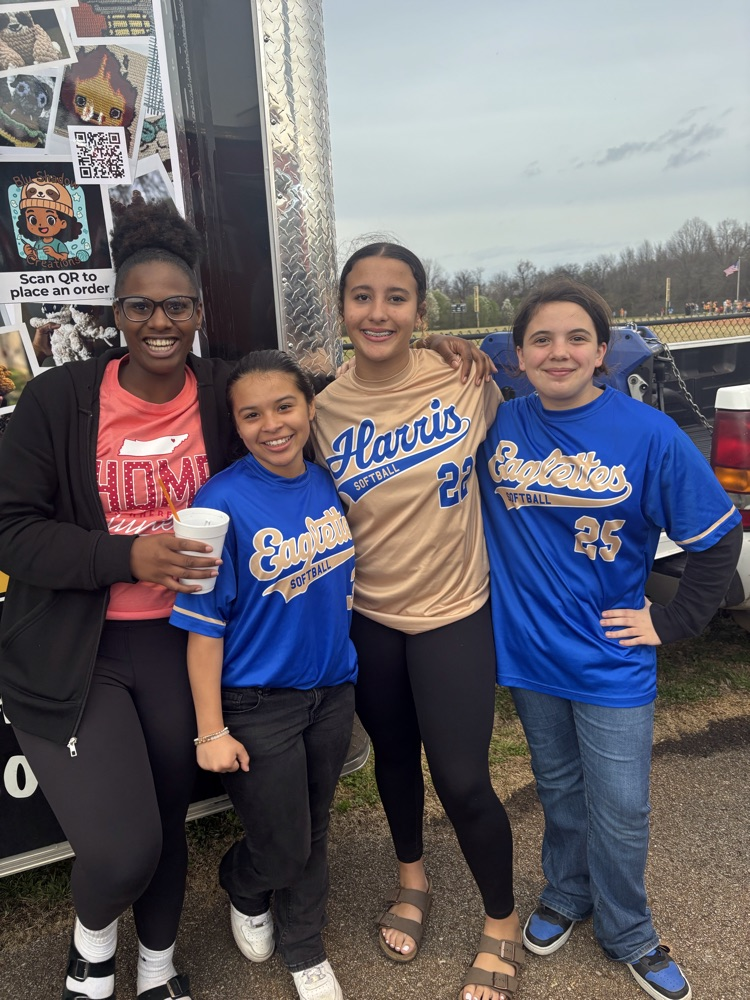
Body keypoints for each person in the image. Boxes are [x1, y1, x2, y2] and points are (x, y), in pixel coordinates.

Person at [473, 278, 742, 1000]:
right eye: (540, 339)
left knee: (620, 806)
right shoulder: (495, 425)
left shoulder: (647, 433)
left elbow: (718, 537)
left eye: (576, 338)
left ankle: (629, 929)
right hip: (530, 654)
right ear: (518, 355)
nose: (558, 352)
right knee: (559, 789)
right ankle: (568, 891)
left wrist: (673, 621)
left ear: (601, 352)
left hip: (611, 658)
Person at [0, 200, 235, 1000]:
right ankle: (91, 948)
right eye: (140, 305)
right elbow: (12, 531)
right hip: (77, 652)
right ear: (116, 310)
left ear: (198, 311)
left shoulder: (225, 391)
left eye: (177, 306)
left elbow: (316, 405)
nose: (159, 322)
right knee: (120, 850)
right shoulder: (59, 400)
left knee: (167, 824)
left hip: (181, 645)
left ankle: (157, 970)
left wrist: (444, 355)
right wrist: (126, 555)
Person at [312, 243, 524, 1000]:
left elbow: (538, 410)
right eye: (362, 296)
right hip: (369, 615)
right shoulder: (321, 410)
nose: (378, 312)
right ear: (341, 308)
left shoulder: (465, 380)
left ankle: (501, 920)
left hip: (454, 611)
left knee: (463, 780)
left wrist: (454, 346)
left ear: (421, 311)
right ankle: (413, 880)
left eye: (396, 298)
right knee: (394, 760)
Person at [170, 349, 357, 1000]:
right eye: (251, 415)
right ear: (236, 424)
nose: (272, 425)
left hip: (332, 691)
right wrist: (210, 730)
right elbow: (202, 629)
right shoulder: (217, 503)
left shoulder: (328, 481)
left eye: (284, 406)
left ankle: (305, 948)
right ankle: (243, 884)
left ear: (310, 407)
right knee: (282, 847)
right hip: (257, 703)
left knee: (316, 826)